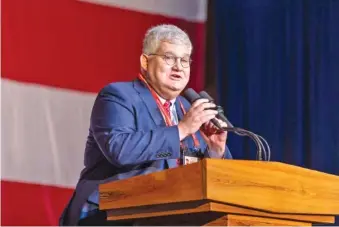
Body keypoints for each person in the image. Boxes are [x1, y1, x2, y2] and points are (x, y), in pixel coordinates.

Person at [59, 24, 232, 226]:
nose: (178, 66)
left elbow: (221, 180)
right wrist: (181, 130)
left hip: (175, 216)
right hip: (108, 215)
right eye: (169, 57)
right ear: (145, 61)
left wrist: (215, 150)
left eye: (184, 60)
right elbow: (120, 151)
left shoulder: (189, 109)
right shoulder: (118, 96)